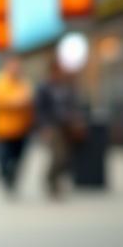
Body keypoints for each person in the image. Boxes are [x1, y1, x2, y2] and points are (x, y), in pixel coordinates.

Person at [35, 58, 85, 199]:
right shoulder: (44, 87)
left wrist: (77, 120)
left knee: (66, 157)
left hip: (67, 125)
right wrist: (44, 127)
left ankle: (55, 180)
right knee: (58, 155)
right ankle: (51, 181)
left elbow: (73, 104)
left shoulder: (66, 86)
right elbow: (40, 109)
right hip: (52, 125)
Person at [0, 54, 35, 195]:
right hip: (4, 128)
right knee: (6, 157)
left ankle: (12, 179)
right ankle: (6, 178)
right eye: (13, 65)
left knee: (19, 157)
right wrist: (17, 101)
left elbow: (29, 99)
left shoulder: (24, 82)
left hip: (22, 127)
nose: (16, 68)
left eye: (17, 65)